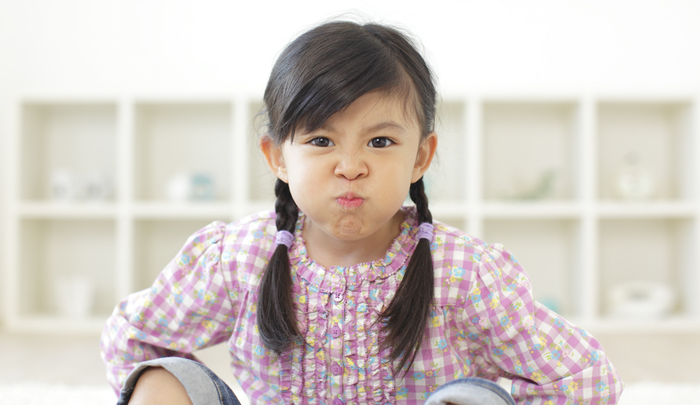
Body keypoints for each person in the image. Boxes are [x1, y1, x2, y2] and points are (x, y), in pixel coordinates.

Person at [101, 20, 624, 405]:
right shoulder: (239, 257)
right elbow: (134, 337)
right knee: (159, 383)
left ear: (420, 156)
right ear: (278, 157)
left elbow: (582, 377)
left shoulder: (464, 271)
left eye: (379, 141)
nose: (350, 166)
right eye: (322, 139)